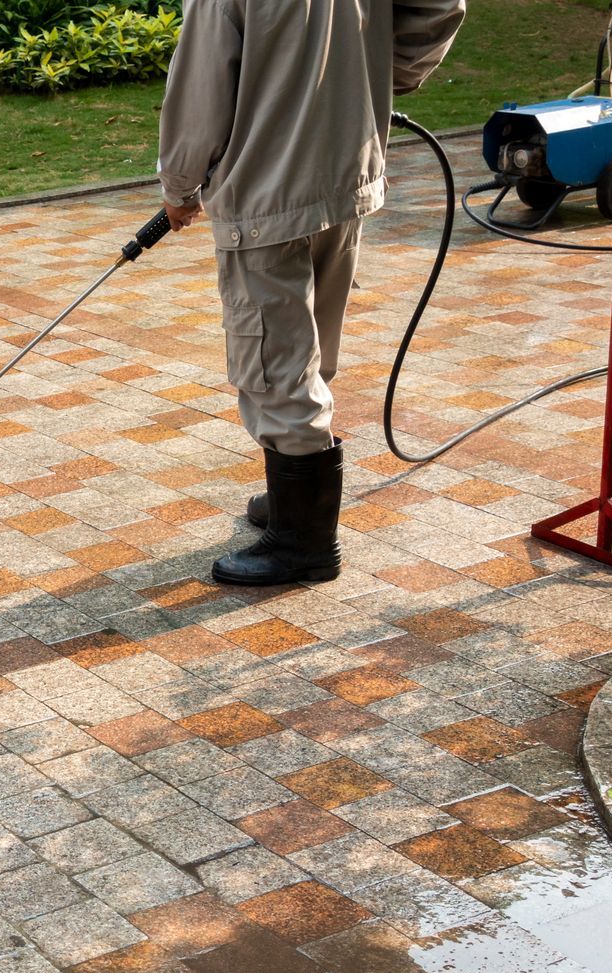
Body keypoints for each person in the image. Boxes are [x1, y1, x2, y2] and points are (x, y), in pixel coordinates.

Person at [157, 0, 465, 585]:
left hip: (266, 190)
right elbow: (440, 5)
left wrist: (179, 184)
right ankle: (294, 495)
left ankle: (303, 543)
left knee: (274, 364)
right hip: (344, 175)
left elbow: (201, 87)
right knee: (311, 344)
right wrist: (380, 77)